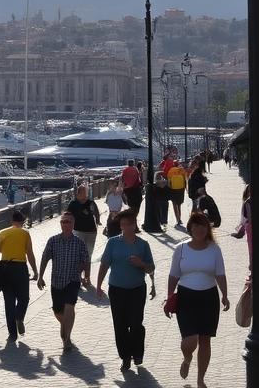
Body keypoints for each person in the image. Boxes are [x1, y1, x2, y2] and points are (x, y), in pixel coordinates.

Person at [166, 211, 230, 388]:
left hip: (209, 297)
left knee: (205, 340)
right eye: (196, 225)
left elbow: (220, 274)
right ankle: (187, 358)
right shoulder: (181, 249)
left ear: (207, 228)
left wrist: (225, 295)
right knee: (190, 340)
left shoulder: (214, 249)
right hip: (186, 297)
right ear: (190, 228)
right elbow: (173, 275)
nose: (200, 229)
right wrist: (169, 297)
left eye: (203, 226)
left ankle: (201, 379)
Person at [95, 209, 155, 373]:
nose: (125, 227)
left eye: (128, 224)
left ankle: (138, 353)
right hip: (117, 290)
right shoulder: (113, 243)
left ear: (134, 225)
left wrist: (141, 264)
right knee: (120, 325)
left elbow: (151, 268)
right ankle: (125, 357)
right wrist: (98, 286)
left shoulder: (143, 244)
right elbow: (104, 264)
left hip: (137, 289)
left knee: (136, 324)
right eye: (122, 225)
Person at [38, 211, 89, 352]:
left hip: (73, 280)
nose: (66, 224)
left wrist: (86, 276)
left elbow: (86, 260)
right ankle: (64, 324)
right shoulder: (53, 241)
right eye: (63, 221)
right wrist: (40, 276)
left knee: (69, 307)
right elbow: (45, 258)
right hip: (56, 281)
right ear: (60, 224)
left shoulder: (79, 243)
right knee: (58, 311)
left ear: (73, 224)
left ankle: (67, 340)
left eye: (69, 221)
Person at [0, 210, 38, 342]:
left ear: (11, 221)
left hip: (5, 269)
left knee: (9, 302)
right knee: (24, 298)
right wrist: (35, 271)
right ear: (22, 222)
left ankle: (12, 334)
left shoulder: (2, 233)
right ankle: (19, 317)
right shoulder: (25, 233)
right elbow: (30, 254)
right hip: (20, 268)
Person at [66, 184, 101, 283]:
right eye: (84, 192)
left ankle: (87, 277)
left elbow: (96, 213)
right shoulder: (73, 203)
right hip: (77, 231)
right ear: (78, 193)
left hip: (91, 232)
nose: (86, 194)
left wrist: (98, 221)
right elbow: (68, 216)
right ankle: (78, 276)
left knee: (88, 255)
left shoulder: (91, 203)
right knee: (78, 255)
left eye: (86, 192)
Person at [166, 160, 188, 228]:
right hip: (181, 189)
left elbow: (169, 182)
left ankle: (177, 220)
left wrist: (169, 189)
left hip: (173, 189)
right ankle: (179, 219)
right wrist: (185, 189)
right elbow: (185, 180)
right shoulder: (182, 170)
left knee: (175, 205)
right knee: (179, 205)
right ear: (178, 164)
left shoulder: (170, 171)